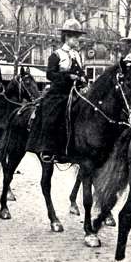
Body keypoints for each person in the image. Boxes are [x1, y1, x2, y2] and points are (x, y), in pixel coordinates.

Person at [34, 19, 88, 162]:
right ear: (66, 37)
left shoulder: (78, 55)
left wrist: (83, 79)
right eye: (75, 37)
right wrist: (68, 76)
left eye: (78, 37)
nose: (77, 40)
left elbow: (82, 72)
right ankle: (48, 149)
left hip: (76, 92)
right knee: (52, 115)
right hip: (59, 93)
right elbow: (50, 74)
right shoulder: (57, 55)